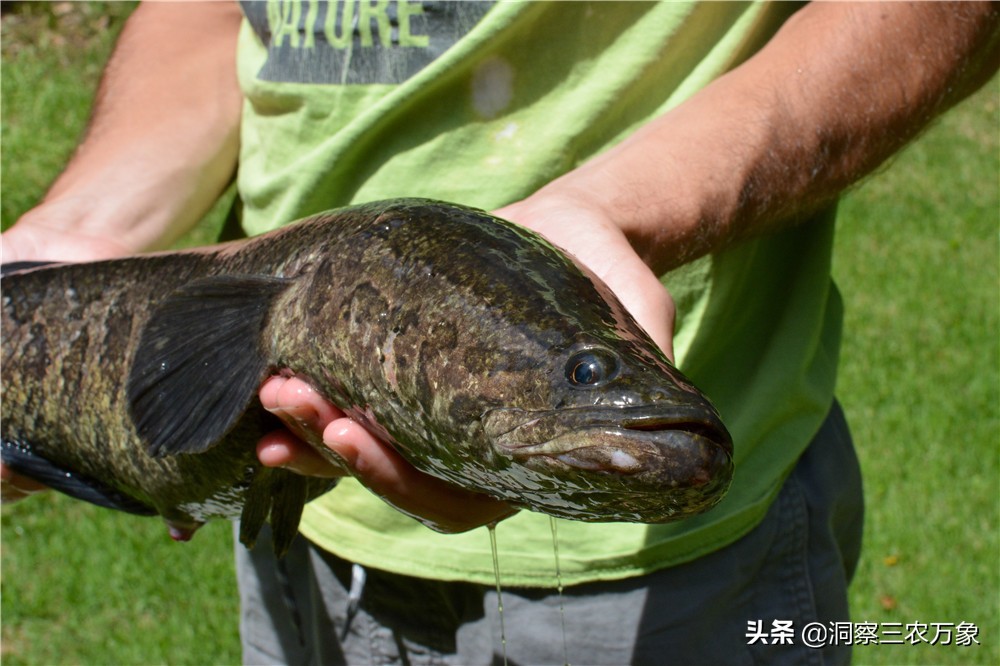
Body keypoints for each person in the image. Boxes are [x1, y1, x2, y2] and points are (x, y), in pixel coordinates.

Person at [2, 1, 997, 664]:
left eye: (587, 369)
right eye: (585, 371)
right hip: (288, 511)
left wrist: (620, 216)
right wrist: (83, 231)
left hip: (664, 583)